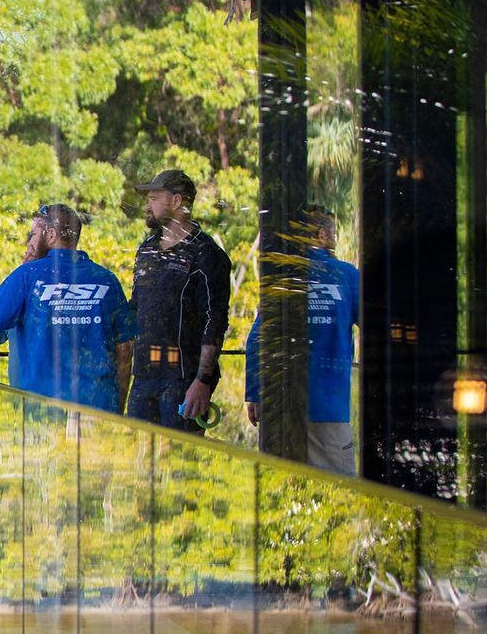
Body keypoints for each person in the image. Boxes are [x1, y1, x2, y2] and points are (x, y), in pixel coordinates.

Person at [0, 204, 135, 414]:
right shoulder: (106, 280)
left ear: (51, 235)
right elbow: (125, 350)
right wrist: (117, 411)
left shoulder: (27, 277)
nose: (28, 242)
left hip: (43, 413)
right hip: (98, 412)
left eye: (33, 234)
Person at [245, 206, 360, 474]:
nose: (336, 240)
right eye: (333, 234)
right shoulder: (346, 275)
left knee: (281, 493)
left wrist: (255, 393)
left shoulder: (283, 276)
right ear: (320, 235)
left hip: (282, 407)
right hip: (330, 409)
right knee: (337, 497)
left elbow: (256, 340)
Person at [128, 168, 232, 433]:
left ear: (177, 201)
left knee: (179, 463)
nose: (147, 205)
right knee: (137, 462)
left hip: (182, 380)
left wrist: (203, 380)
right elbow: (135, 307)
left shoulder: (206, 253)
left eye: (154, 198)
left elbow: (214, 322)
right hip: (142, 377)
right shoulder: (147, 249)